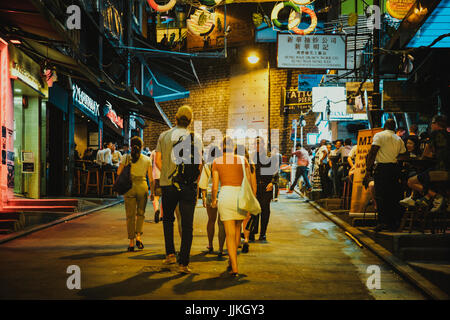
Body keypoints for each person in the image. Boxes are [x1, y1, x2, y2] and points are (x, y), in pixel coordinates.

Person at [155, 105, 203, 274]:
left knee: (168, 219)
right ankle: (184, 263)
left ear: (175, 118)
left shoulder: (164, 136)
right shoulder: (195, 137)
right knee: (187, 225)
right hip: (188, 186)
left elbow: (158, 161)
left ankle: (170, 255)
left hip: (168, 185)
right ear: (190, 121)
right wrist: (192, 182)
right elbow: (199, 164)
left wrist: (168, 174)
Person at [211, 137, 255, 276]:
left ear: (221, 146)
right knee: (237, 230)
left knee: (229, 234)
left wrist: (213, 200)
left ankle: (234, 266)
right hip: (240, 195)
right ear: (232, 146)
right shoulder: (243, 160)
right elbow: (248, 181)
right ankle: (232, 261)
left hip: (226, 195)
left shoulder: (217, 161)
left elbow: (215, 186)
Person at [364, 119, 406, 232]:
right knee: (393, 196)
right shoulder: (399, 139)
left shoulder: (379, 135)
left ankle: (382, 222)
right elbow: (402, 155)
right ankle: (393, 223)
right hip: (394, 169)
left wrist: (368, 169)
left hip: (382, 168)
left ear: (384, 126)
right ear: (395, 127)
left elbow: (373, 152)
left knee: (381, 195)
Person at [401, 115, 449, 212]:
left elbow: (426, 154)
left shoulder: (435, 134)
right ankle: (424, 198)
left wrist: (424, 157)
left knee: (411, 181)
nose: (431, 125)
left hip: (441, 171)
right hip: (447, 170)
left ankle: (437, 198)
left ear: (437, 124)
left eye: (432, 123)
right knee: (427, 178)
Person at [117, 136, 152, 252]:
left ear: (131, 146)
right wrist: (154, 192)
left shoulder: (125, 157)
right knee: (141, 214)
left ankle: (131, 242)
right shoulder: (147, 159)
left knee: (130, 216)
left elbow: (118, 172)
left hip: (129, 187)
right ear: (142, 146)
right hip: (142, 187)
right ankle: (139, 236)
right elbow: (151, 179)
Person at [249, 136, 279, 242]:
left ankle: (263, 233)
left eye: (259, 143)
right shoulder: (251, 157)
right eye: (255, 143)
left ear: (263, 144)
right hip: (254, 187)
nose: (257, 145)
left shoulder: (269, 157)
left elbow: (275, 171)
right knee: (254, 210)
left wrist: (272, 182)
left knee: (265, 210)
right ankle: (252, 232)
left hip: (266, 187)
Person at [198, 144, 226, 257]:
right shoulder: (223, 164)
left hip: (210, 194)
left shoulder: (207, 166)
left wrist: (204, 197)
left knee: (211, 220)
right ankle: (220, 249)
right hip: (223, 193)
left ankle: (210, 245)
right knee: (222, 223)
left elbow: (203, 184)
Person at [239, 146, 257, 254]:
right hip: (248, 193)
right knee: (246, 218)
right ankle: (246, 239)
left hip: (237, 192)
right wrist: (253, 196)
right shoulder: (251, 165)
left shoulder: (234, 164)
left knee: (237, 219)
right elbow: (253, 183)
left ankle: (236, 241)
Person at [149, 149, 162, 223]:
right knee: (165, 197)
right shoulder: (167, 151)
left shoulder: (154, 152)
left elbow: (150, 163)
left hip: (156, 176)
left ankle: (156, 209)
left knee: (156, 196)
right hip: (165, 176)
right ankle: (162, 216)